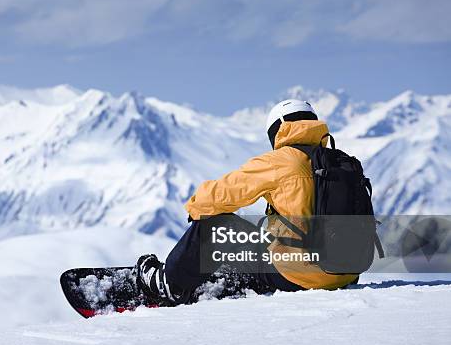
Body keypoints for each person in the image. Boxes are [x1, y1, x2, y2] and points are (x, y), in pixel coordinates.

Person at [135, 99, 359, 304]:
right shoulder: (341, 162)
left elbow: (223, 194)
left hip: (298, 275)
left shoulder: (282, 161)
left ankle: (169, 283)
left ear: (277, 130)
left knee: (215, 226)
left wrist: (196, 207)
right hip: (345, 274)